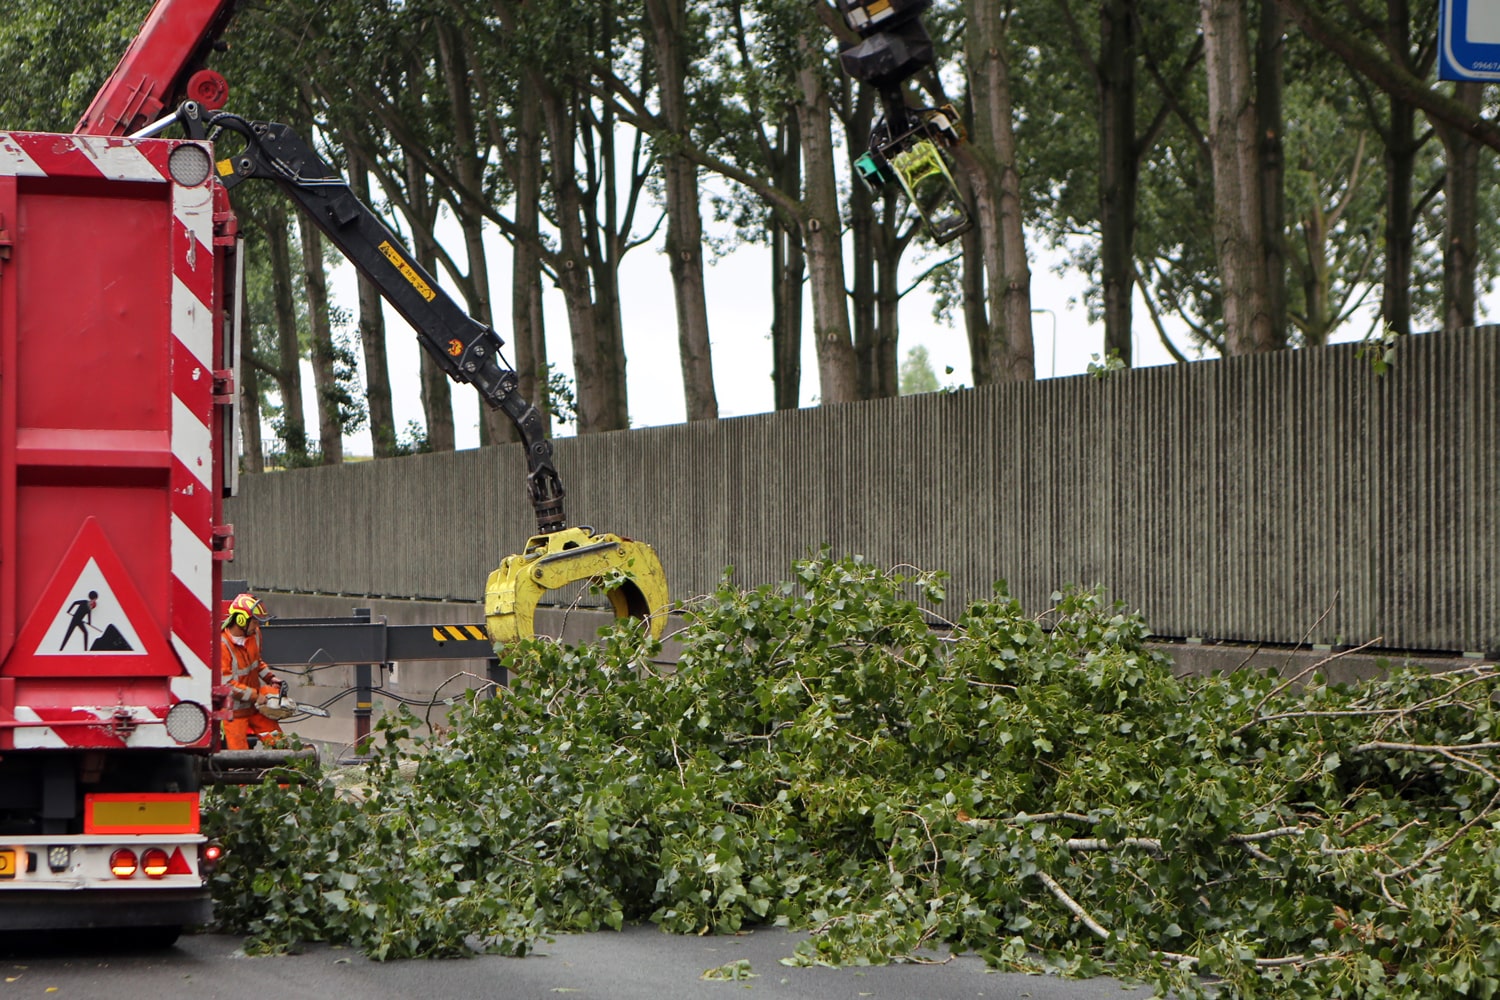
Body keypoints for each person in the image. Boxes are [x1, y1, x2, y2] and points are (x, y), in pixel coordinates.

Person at [219, 593, 283, 750]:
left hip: (256, 707)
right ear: (241, 620)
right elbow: (227, 685)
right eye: (254, 622)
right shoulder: (222, 646)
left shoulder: (255, 635)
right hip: (235, 712)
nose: (257, 626)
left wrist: (270, 678)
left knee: (280, 743)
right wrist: (256, 695)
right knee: (239, 757)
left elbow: (257, 663)